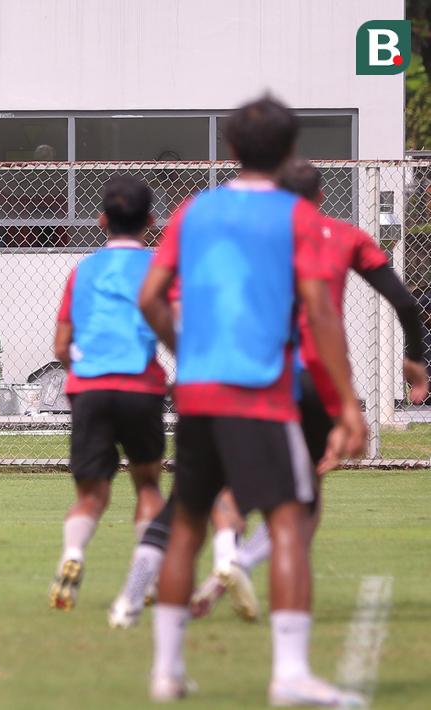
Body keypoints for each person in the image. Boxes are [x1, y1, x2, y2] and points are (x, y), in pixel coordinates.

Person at [109, 161, 431, 633]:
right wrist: (413, 360)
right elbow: (403, 302)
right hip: (308, 379)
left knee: (208, 494)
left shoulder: (234, 233)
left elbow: (177, 297)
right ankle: (254, 591)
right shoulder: (341, 236)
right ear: (320, 198)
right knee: (301, 504)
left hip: (240, 377)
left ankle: (170, 616)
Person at [138, 96, 367, 706]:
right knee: (289, 523)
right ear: (290, 151)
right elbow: (319, 310)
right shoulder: (296, 216)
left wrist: (185, 351)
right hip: (261, 397)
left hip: (197, 394)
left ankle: (167, 671)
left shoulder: (193, 210)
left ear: (232, 150)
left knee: (185, 523)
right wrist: (348, 405)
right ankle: (289, 673)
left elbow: (152, 297)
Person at [47, 176, 166, 611]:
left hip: (89, 388)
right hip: (140, 384)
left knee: (90, 495)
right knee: (148, 484)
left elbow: (61, 347)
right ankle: (145, 576)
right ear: (151, 221)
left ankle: (73, 555)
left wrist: (86, 371)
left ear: (100, 221)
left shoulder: (82, 271)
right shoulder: (160, 268)